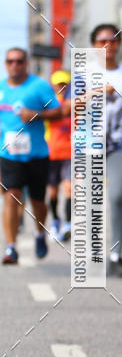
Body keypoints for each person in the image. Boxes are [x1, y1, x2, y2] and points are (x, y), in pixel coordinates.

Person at [0, 48, 62, 264]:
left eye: (19, 61)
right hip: (8, 154)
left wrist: (36, 115)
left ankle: (39, 233)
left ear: (26, 63)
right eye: (10, 61)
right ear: (6, 64)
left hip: (37, 154)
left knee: (38, 202)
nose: (14, 65)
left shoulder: (39, 86)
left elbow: (59, 112)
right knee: (11, 196)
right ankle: (11, 248)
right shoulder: (1, 88)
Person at [90, 24, 122, 277]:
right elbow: (70, 105)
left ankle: (116, 255)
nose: (107, 45)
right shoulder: (84, 72)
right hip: (89, 143)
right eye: (101, 41)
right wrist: (100, 91)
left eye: (112, 40)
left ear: (119, 45)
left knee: (117, 196)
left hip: (121, 142)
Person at [47, 69, 72, 242]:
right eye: (59, 84)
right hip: (52, 152)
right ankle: (55, 220)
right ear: (53, 85)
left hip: (70, 153)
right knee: (53, 192)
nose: (62, 87)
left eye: (65, 84)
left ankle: (68, 223)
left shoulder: (74, 103)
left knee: (69, 188)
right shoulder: (49, 104)